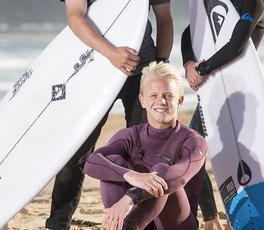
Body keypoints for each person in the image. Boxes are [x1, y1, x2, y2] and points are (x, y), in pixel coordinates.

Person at [46, 0, 174, 230]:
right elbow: (76, 18)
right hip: (94, 70)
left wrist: (158, 67)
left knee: (147, 152)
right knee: (77, 150)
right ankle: (58, 223)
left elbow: (163, 19)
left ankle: (142, 221)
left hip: (141, 71)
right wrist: (111, 53)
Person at [181, 0, 264, 230]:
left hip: (240, 92)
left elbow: (236, 45)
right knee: (192, 151)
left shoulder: (253, 1)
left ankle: (246, 214)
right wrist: (189, 64)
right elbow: (187, 34)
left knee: (238, 158)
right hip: (213, 91)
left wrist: (202, 68)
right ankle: (211, 219)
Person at [84, 61, 207, 230]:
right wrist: (130, 175)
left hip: (176, 225)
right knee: (112, 161)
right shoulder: (129, 136)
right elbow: (92, 162)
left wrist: (130, 197)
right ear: (142, 100)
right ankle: (118, 225)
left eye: (168, 96)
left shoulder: (193, 141)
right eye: (153, 95)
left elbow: (174, 178)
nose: (161, 101)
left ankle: (127, 227)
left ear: (180, 100)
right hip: (141, 219)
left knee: (160, 172)